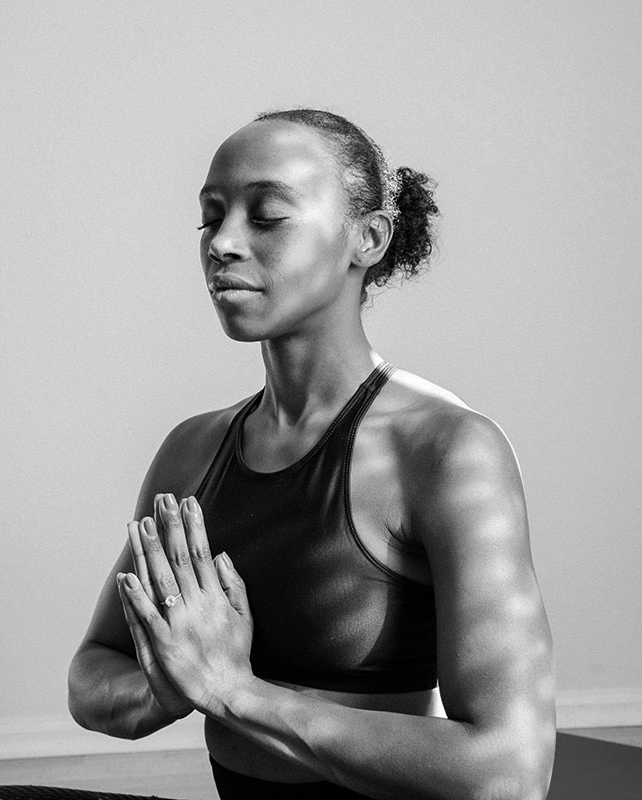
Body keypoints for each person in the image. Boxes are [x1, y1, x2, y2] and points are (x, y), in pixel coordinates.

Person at [67, 109, 556, 800]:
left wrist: (238, 694)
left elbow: (508, 772)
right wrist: (169, 688)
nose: (223, 243)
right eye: (210, 217)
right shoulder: (192, 451)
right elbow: (93, 670)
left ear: (369, 237)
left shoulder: (447, 452)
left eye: (266, 216)